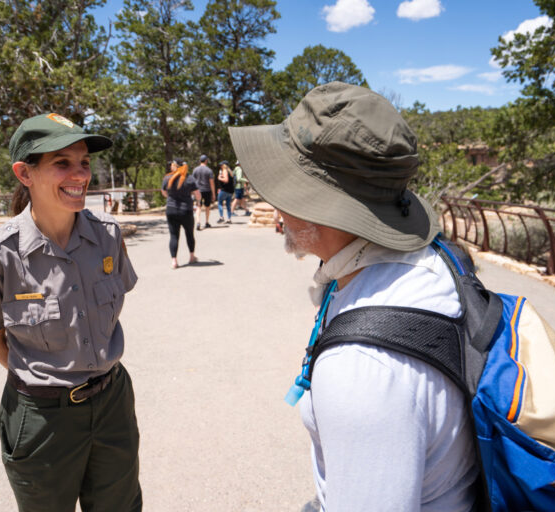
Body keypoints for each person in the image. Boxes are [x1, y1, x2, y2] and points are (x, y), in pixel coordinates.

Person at [229, 82, 479, 511]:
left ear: (323, 205)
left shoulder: (364, 369)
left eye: (283, 187)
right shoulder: (434, 260)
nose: (275, 204)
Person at [0, 113, 142, 512]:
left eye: (84, 162)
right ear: (25, 173)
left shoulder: (108, 236)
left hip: (112, 403)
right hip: (42, 419)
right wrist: (44, 379)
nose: (80, 174)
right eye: (62, 163)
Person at [161, 158, 200, 268]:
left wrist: (171, 198)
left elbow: (164, 192)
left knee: (174, 236)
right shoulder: (189, 178)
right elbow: (197, 194)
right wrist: (197, 203)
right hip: (186, 210)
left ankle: (174, 261)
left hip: (171, 210)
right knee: (189, 234)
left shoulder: (167, 178)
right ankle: (192, 256)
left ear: (175, 166)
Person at [192, 154, 215, 230]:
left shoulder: (195, 170)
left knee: (198, 206)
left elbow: (192, 181)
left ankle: (198, 222)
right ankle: (207, 222)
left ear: (200, 161)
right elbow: (211, 183)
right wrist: (213, 194)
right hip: (207, 190)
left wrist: (192, 192)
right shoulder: (209, 170)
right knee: (207, 207)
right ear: (206, 161)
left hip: (198, 191)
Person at [215, 160, 234, 224]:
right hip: (230, 191)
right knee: (228, 205)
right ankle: (229, 219)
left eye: (221, 165)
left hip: (224, 191)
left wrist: (219, 178)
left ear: (224, 166)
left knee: (220, 203)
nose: (220, 166)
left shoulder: (225, 171)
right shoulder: (230, 172)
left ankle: (221, 217)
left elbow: (226, 180)